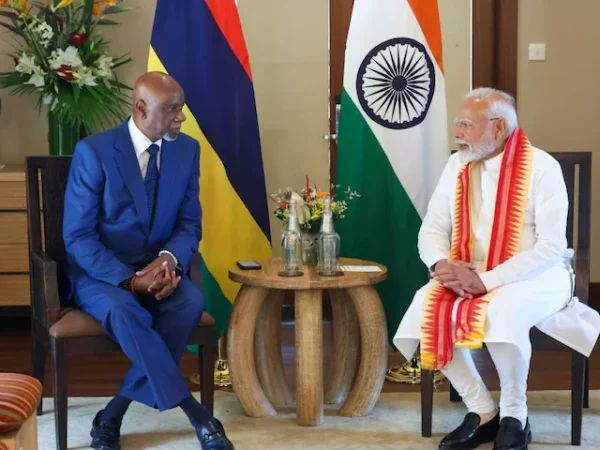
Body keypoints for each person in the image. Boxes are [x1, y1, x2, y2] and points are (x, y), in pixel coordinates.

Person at [393, 87, 600, 450]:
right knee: (425, 305)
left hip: (539, 274)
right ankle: (482, 410)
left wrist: (486, 281)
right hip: (469, 270)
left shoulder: (542, 167)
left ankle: (515, 415)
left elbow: (551, 247)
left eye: (466, 125)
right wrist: (442, 264)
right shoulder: (457, 165)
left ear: (499, 127)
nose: (457, 133)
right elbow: (433, 227)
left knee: (504, 308)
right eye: (458, 124)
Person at [63, 71, 234, 450]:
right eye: (172, 109)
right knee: (126, 310)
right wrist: (130, 280)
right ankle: (198, 414)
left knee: (190, 302)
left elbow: (189, 223)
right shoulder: (94, 152)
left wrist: (169, 260)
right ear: (141, 108)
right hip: (101, 274)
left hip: (161, 270)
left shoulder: (187, 150)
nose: (181, 117)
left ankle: (112, 414)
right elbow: (77, 237)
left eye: (181, 108)